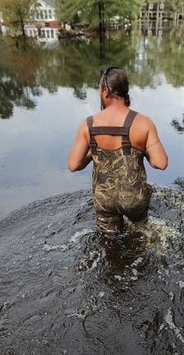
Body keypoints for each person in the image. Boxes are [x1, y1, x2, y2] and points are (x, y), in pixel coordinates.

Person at [67, 67, 168, 232]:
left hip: (103, 199)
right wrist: (143, 149)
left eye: (100, 91)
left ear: (105, 91)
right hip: (134, 199)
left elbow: (73, 165)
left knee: (110, 243)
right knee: (140, 234)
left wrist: (94, 151)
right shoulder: (143, 123)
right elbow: (161, 163)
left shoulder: (88, 125)